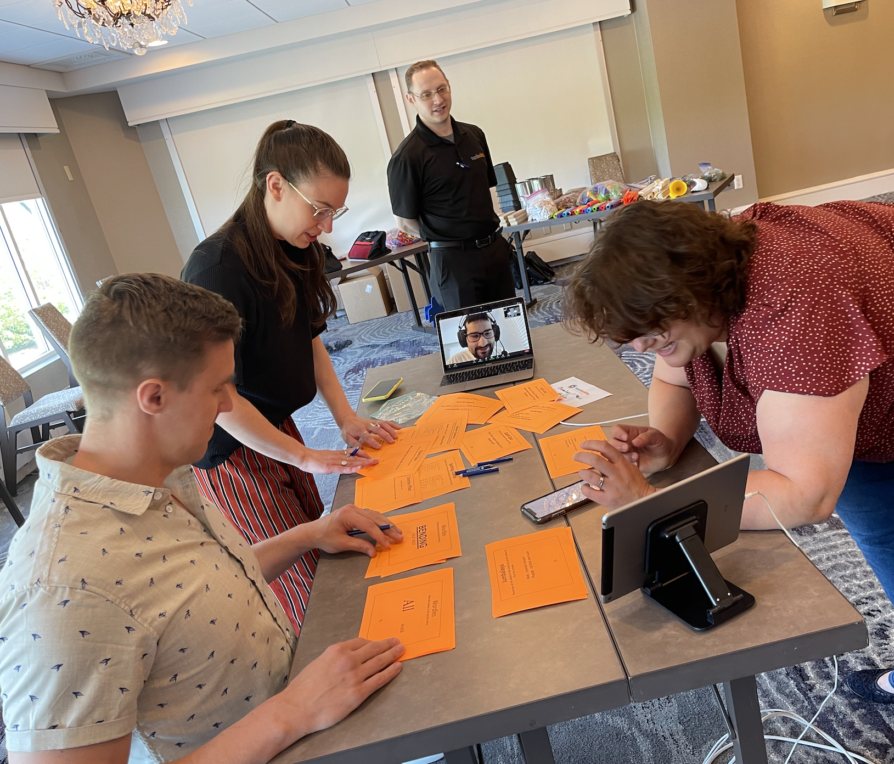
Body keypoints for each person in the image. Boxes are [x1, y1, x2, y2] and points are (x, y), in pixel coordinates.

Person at [564, 199, 894, 718]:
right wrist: (666, 437)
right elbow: (675, 371)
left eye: (652, 332)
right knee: (887, 531)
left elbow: (804, 496)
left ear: (693, 292)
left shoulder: (794, 311)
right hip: (893, 343)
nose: (644, 348)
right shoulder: (698, 303)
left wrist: (650, 503)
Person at [0, 274, 405, 763]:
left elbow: (196, 594)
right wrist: (289, 713)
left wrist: (307, 536)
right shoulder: (63, 588)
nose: (230, 405)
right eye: (218, 387)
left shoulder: (152, 475)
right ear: (154, 398)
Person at [182, 120, 399, 633]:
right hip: (234, 452)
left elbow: (310, 338)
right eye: (319, 209)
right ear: (275, 186)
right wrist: (301, 455)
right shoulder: (216, 268)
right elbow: (219, 396)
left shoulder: (296, 247)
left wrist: (345, 418)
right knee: (305, 585)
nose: (326, 225)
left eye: (334, 212)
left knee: (331, 543)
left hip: (279, 427)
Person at [387, 60, 515, 311]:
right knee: (469, 340)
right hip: (453, 263)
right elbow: (404, 223)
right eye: (426, 94)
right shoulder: (407, 157)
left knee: (510, 334)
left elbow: (485, 191)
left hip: (494, 250)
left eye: (441, 89)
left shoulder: (475, 135)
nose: (437, 99)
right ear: (410, 99)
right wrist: (448, 237)